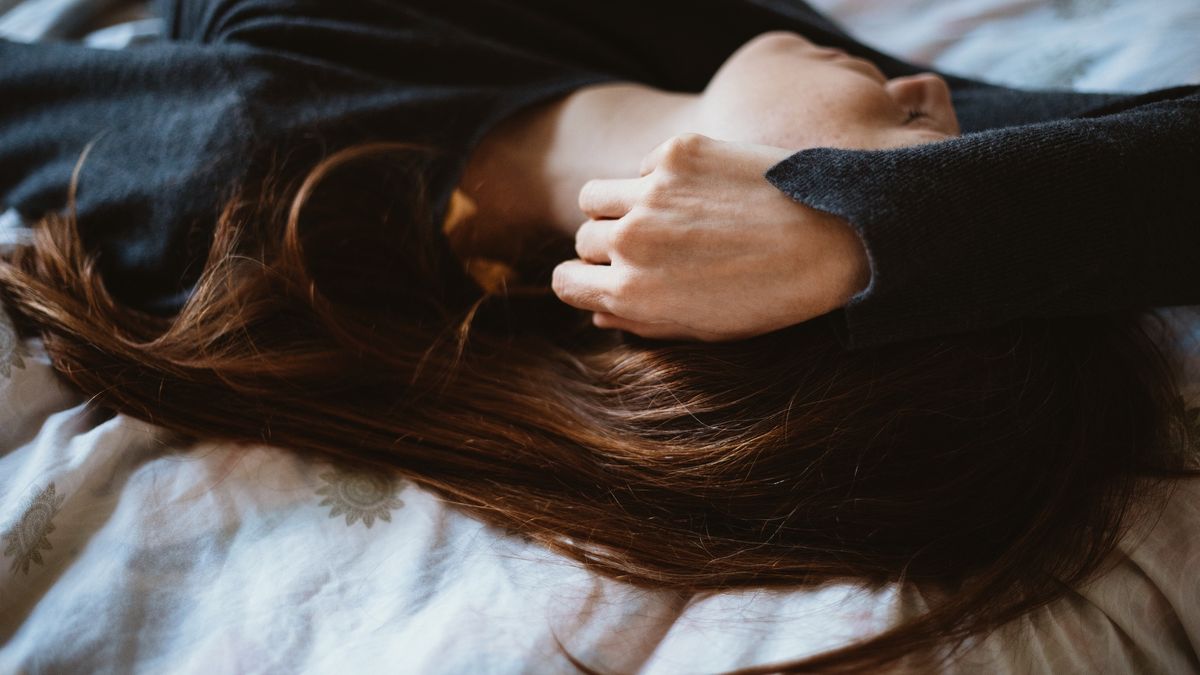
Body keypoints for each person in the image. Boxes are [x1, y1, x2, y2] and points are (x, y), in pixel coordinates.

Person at [0, 1, 1195, 671]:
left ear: (732, 305)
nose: (940, 99)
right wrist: (878, 239)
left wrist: (853, 226)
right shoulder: (806, 107)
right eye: (967, 187)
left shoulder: (239, 168)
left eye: (933, 170)